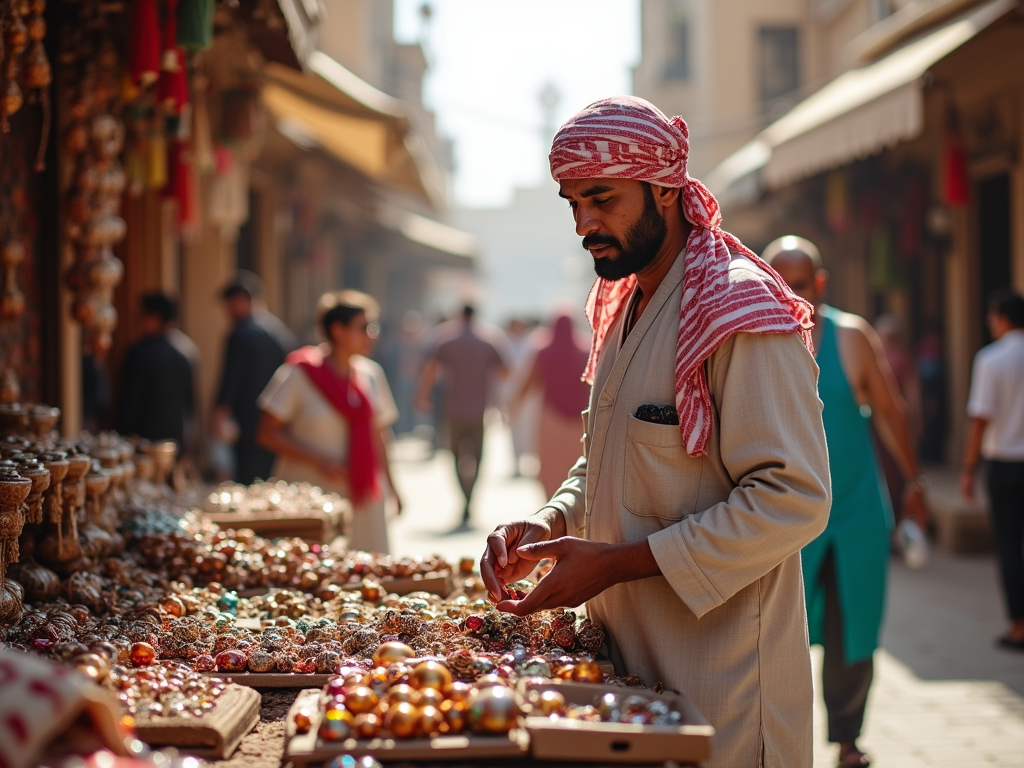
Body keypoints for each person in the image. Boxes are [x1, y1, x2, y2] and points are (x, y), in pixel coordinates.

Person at [480, 97, 831, 768]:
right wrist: (544, 524)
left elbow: (796, 500)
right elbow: (606, 463)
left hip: (723, 692)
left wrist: (616, 563)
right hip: (631, 682)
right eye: (573, 203)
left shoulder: (737, 309)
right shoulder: (626, 305)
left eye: (603, 198)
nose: (585, 223)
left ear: (664, 189)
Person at [767, 236, 927, 768]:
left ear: (821, 283)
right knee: (778, 630)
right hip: (784, 516)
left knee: (852, 625)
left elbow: (888, 409)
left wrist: (915, 485)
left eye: (801, 283)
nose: (791, 293)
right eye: (780, 282)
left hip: (855, 510)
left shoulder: (851, 336)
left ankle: (848, 738)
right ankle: (777, 734)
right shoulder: (756, 338)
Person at [256, 291, 401, 554]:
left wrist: (393, 488)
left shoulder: (370, 374)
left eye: (374, 327)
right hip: (308, 497)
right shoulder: (298, 374)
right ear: (338, 330)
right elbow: (267, 433)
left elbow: (380, 434)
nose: (373, 334)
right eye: (365, 327)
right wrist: (318, 459)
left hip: (363, 496)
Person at [961, 289, 1024, 651]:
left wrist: (969, 467)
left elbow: (980, 419)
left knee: (1010, 546)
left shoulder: (991, 360)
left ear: (1001, 317)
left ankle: (1018, 625)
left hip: (1004, 465)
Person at [415, 304, 509, 528]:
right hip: (478, 410)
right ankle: (470, 499)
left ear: (459, 314)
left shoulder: (446, 339)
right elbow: (504, 372)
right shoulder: (488, 340)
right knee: (478, 458)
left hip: (453, 409)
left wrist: (423, 393)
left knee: (456, 457)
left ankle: (464, 499)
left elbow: (430, 369)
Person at [213, 272, 296, 485]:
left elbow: (231, 378)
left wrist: (221, 412)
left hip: (248, 420)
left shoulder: (241, 333)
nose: (227, 311)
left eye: (230, 304)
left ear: (241, 300)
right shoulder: (279, 331)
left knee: (249, 478)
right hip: (277, 419)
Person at [513, 311, 590, 497]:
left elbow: (529, 382)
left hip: (550, 418)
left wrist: (514, 405)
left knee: (551, 463)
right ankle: (575, 506)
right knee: (576, 464)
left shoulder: (543, 351)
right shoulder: (586, 350)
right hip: (580, 420)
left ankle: (552, 508)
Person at [116, 292, 194, 447]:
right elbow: (190, 406)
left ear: (155, 317)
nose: (136, 320)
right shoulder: (183, 354)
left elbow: (129, 403)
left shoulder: (139, 353)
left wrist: (122, 434)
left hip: (142, 441)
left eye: (142, 315)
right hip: (174, 441)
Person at [874, 314, 923, 524]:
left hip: (875, 426)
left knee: (881, 472)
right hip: (896, 424)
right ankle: (900, 520)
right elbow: (913, 395)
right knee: (898, 473)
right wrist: (916, 422)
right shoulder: (903, 357)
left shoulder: (877, 356)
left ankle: (887, 522)